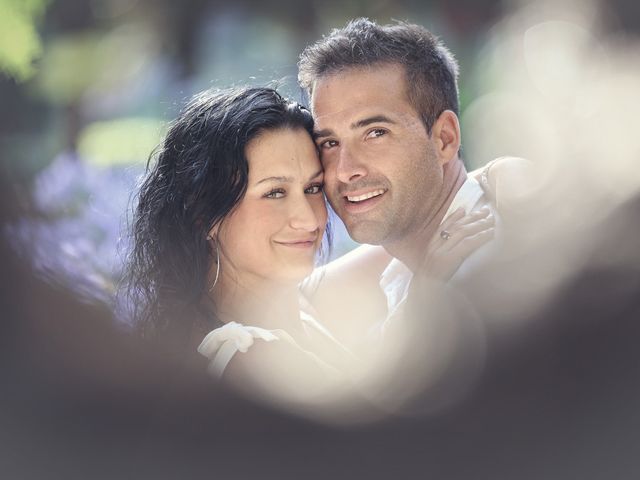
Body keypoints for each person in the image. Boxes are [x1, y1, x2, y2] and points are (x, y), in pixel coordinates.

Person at [122, 85, 493, 407]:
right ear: (204, 212)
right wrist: (424, 299)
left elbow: (416, 228)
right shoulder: (248, 356)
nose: (309, 219)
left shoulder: (295, 305)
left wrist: (489, 177)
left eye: (313, 188)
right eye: (275, 192)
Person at [297, 18, 510, 350]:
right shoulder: (409, 271)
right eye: (329, 143)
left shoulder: (487, 267)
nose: (344, 170)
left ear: (444, 138)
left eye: (375, 133)